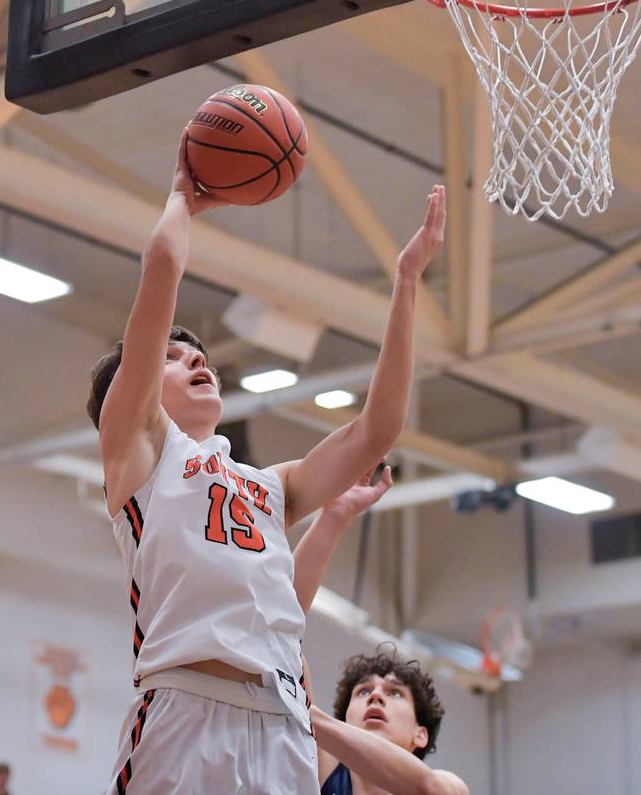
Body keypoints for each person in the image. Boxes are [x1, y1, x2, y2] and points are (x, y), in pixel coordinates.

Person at [86, 127, 445, 795]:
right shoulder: (137, 456)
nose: (194, 357)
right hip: (185, 710)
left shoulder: (268, 486)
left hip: (282, 725)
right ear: (128, 392)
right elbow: (162, 267)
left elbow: (377, 431)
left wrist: (405, 282)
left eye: (198, 352)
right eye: (171, 355)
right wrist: (181, 200)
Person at [293, 471, 469, 795]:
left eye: (394, 693)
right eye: (363, 692)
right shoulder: (323, 777)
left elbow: (429, 787)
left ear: (421, 735)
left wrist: (302, 714)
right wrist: (333, 517)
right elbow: (281, 627)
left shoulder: (447, 786)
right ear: (345, 723)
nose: (375, 696)